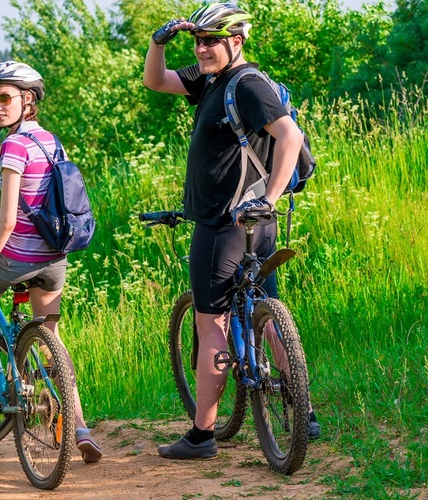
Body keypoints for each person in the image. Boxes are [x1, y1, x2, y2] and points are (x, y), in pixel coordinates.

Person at [142, 3, 320, 460]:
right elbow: (156, 81)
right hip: (250, 222)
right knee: (266, 306)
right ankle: (302, 407)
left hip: (226, 224)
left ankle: (202, 435)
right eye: (197, 41)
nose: (201, 49)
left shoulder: (247, 84)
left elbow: (290, 136)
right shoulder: (211, 80)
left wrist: (271, 198)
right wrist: (158, 42)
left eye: (211, 41)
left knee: (211, 323)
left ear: (236, 42)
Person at [0, 61, 103, 464]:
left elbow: (8, 219)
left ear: (27, 99)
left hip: (17, 259)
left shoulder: (14, 147)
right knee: (53, 340)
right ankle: (80, 427)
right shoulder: (51, 141)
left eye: (5, 97)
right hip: (55, 259)